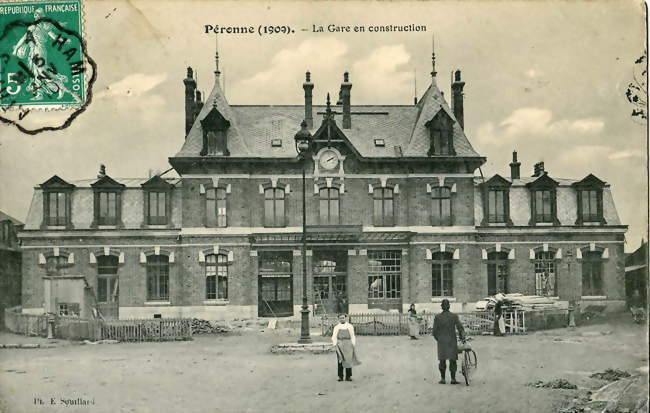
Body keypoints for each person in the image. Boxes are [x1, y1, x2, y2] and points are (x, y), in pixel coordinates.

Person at [432, 299, 465, 384]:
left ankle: (443, 379)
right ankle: (453, 379)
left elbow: (434, 332)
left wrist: (439, 339)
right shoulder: (454, 316)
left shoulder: (437, 317)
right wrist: (462, 337)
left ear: (442, 307)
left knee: (442, 360)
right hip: (451, 341)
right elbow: (460, 328)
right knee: (453, 360)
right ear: (449, 306)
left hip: (441, 341)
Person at [332, 313, 360, 382]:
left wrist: (353, 344)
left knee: (348, 360)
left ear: (345, 318)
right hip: (340, 344)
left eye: (343, 318)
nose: (342, 319)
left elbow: (352, 336)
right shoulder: (336, 327)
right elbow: (334, 337)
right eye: (340, 318)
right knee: (340, 360)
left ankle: (348, 376)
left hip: (348, 344)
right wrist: (335, 344)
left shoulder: (349, 326)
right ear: (338, 319)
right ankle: (340, 376)